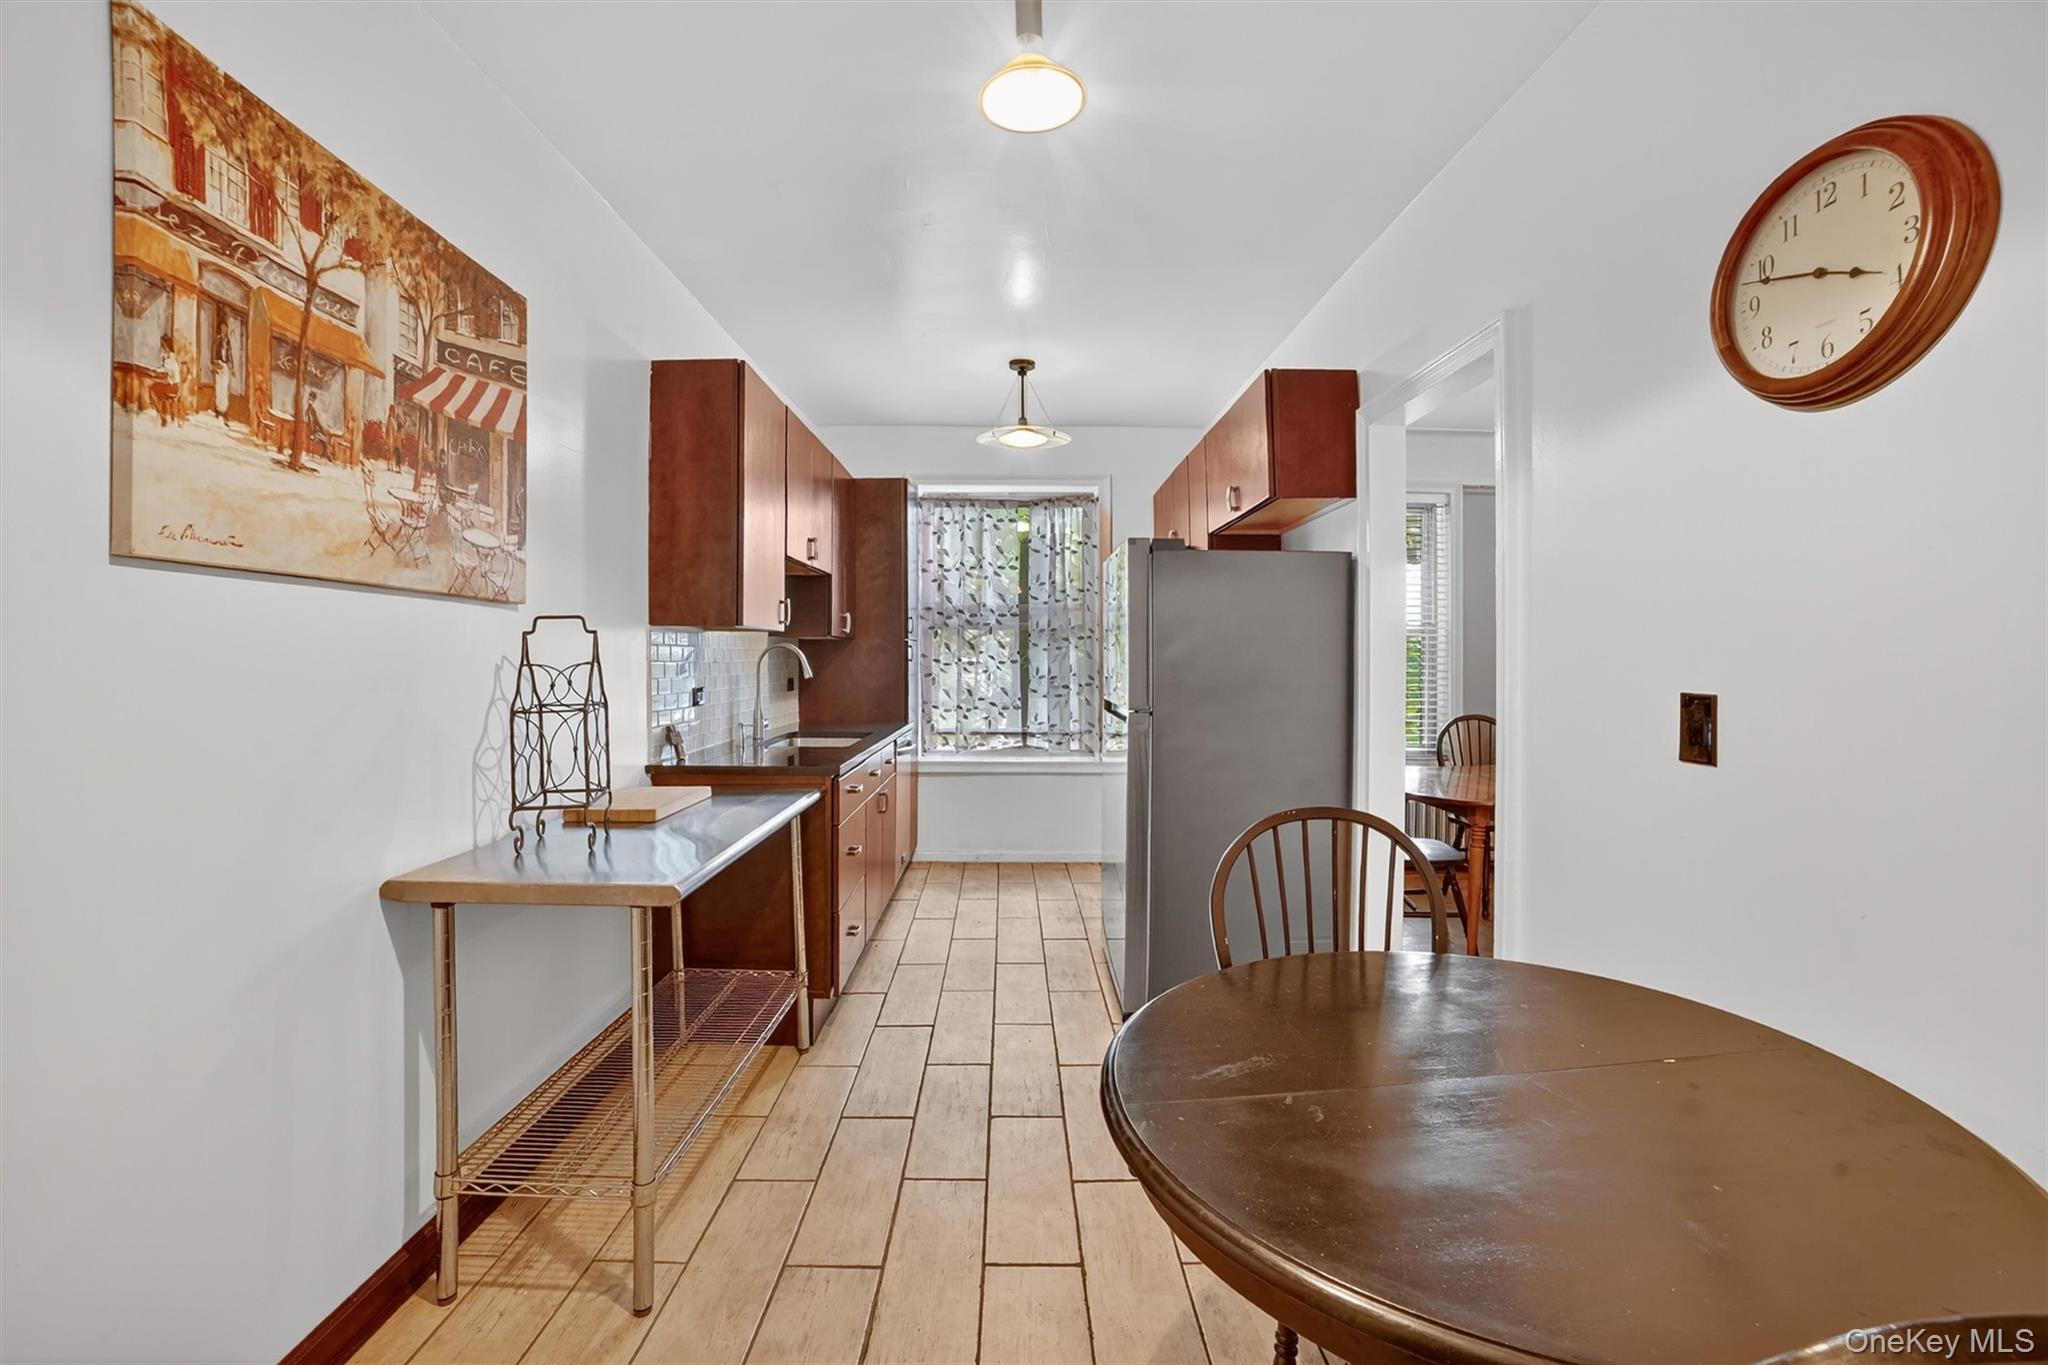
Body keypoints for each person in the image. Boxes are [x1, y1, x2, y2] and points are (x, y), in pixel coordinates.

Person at [212, 326, 231, 419]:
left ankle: (224, 410)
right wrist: (214, 364)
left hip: (225, 365)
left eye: (226, 328)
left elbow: (229, 355)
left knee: (225, 388)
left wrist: (231, 366)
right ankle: (218, 409)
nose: (224, 330)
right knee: (219, 388)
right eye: (223, 328)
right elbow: (214, 352)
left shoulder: (228, 341)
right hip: (219, 364)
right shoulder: (218, 340)